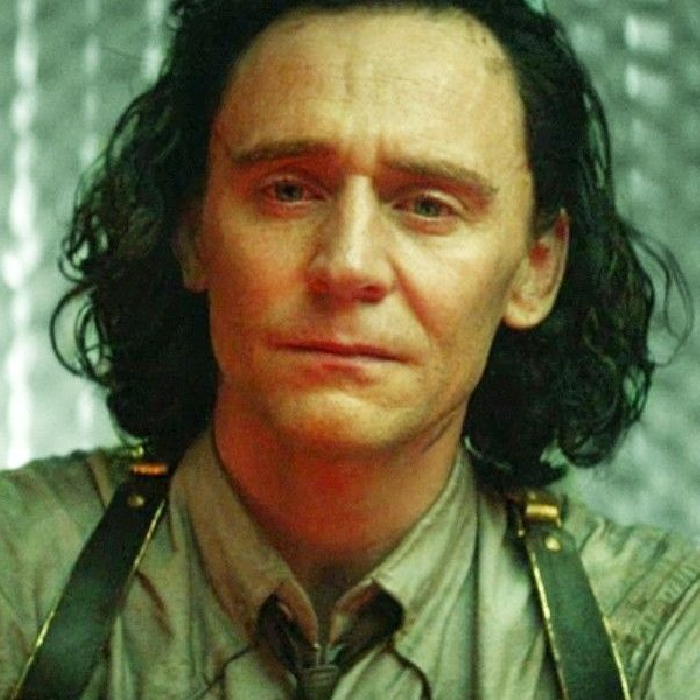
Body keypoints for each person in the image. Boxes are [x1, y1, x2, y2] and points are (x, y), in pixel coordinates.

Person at [1, 0, 698, 698]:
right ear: (192, 234)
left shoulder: (659, 637)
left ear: (535, 269)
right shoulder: (18, 573)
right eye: (289, 191)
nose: (347, 264)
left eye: (428, 205)